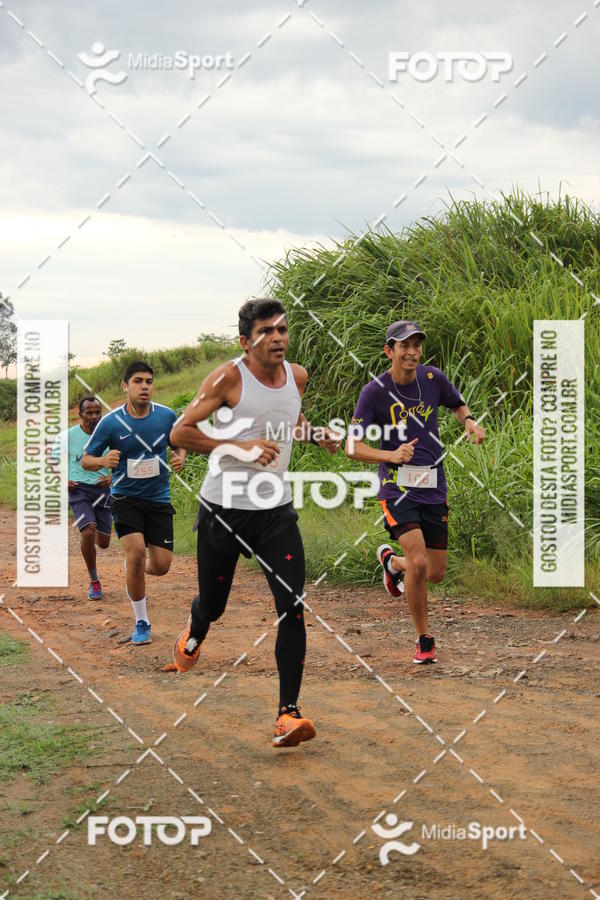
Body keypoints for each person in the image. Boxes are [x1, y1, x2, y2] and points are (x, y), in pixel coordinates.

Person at [167, 298, 340, 748]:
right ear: (246, 341)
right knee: (215, 605)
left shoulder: (296, 376)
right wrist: (239, 447)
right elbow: (181, 433)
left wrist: (316, 434)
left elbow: (289, 420)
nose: (278, 338)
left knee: (292, 605)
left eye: (282, 329)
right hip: (222, 511)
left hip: (275, 512)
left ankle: (288, 714)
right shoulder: (228, 378)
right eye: (267, 332)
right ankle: (196, 628)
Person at [345, 320, 485, 664]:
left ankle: (392, 564)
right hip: (397, 486)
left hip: (434, 484)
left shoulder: (433, 378)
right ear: (389, 351)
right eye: (404, 345)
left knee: (434, 571)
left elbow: (456, 403)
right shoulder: (374, 392)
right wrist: (389, 455)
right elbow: (352, 446)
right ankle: (424, 638)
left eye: (416, 345)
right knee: (420, 562)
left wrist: (468, 420)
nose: (412, 352)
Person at [82, 361, 186, 645]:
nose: (145, 386)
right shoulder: (111, 422)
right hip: (125, 498)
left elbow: (179, 442)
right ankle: (141, 620)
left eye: (149, 381)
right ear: (125, 386)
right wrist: (103, 460)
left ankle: (135, 569)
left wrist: (180, 456)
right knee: (137, 553)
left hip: (158, 498)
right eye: (138, 381)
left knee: (162, 565)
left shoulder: (166, 416)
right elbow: (86, 459)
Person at [52, 396, 112, 600]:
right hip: (78, 490)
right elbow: (53, 461)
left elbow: (122, 461)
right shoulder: (67, 437)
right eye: (89, 412)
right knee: (88, 533)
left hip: (103, 490)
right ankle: (94, 581)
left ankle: (93, 527)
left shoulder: (109, 435)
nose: (94, 416)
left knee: (103, 543)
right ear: (80, 415)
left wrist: (112, 478)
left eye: (97, 412)